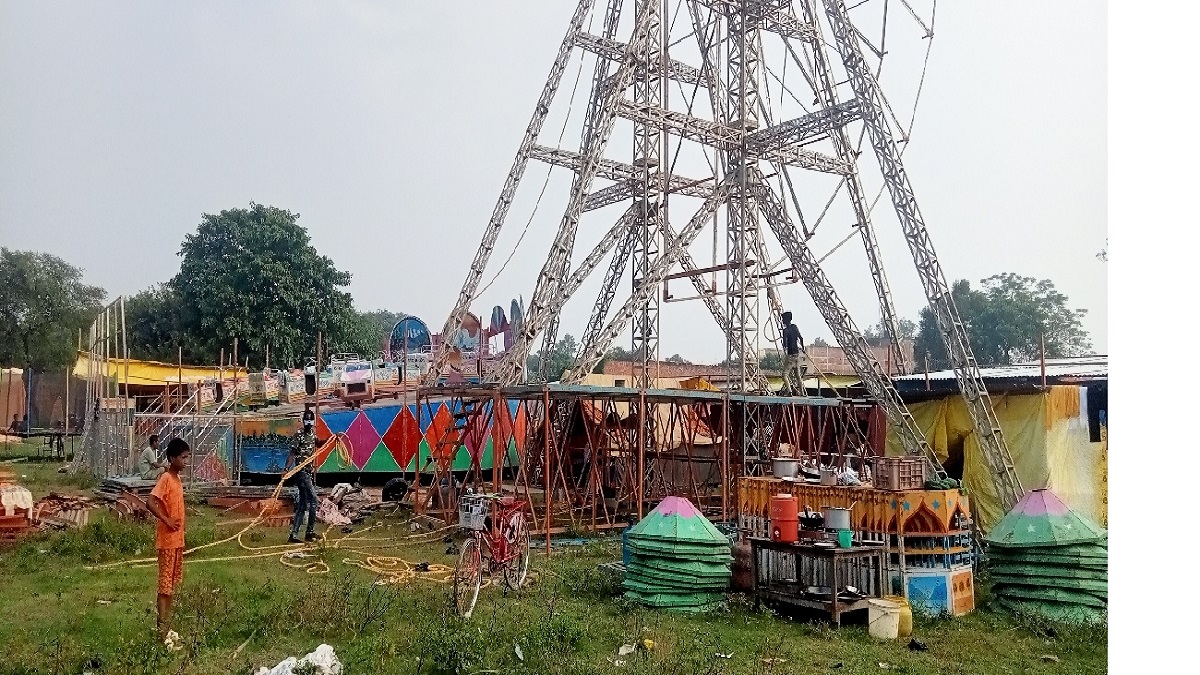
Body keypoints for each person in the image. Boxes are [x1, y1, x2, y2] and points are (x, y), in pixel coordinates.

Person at [145, 438, 190, 641]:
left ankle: (165, 627)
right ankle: (161, 632)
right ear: (172, 458)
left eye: (187, 457)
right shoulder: (165, 478)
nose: (186, 461)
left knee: (171, 586)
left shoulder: (177, 479)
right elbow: (150, 502)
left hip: (178, 541)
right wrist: (166, 519)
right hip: (167, 541)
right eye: (183, 457)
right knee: (164, 587)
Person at [285, 415, 320, 543]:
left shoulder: (312, 434)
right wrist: (286, 469)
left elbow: (319, 443)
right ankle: (309, 532)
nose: (309, 424)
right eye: (307, 421)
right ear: (304, 421)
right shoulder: (299, 435)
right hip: (302, 472)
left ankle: (293, 535)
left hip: (309, 472)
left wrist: (334, 438)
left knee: (303, 504)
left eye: (311, 421)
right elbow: (292, 453)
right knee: (314, 500)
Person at [780, 311, 807, 396]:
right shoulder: (794, 327)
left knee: (784, 375)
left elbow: (785, 344)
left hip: (790, 355)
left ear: (786, 320)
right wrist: (803, 348)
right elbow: (801, 338)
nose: (782, 320)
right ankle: (802, 393)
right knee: (798, 376)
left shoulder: (785, 331)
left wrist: (784, 342)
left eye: (783, 319)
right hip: (797, 354)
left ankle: (789, 391)